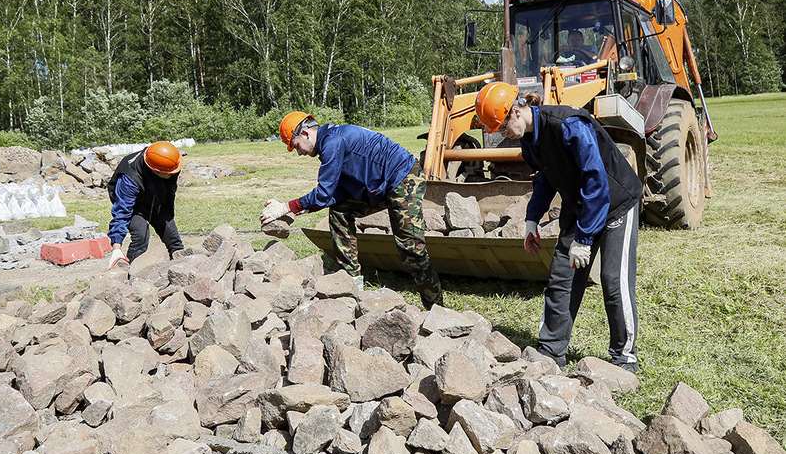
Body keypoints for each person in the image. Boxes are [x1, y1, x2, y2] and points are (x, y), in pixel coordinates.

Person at [475, 83, 642, 372]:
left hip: (616, 202)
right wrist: (531, 220)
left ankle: (624, 358)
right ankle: (551, 353)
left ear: (516, 111)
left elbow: (596, 182)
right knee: (561, 279)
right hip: (578, 205)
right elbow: (544, 180)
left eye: (502, 128)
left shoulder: (568, 125)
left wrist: (585, 239)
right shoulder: (529, 140)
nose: (503, 135)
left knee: (613, 282)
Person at [260, 111, 443, 308]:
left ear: (305, 133)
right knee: (340, 211)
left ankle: (436, 310)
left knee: (411, 250)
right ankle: (353, 287)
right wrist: (297, 210)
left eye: (296, 146)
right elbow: (335, 194)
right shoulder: (328, 142)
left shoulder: (332, 142)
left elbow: (323, 192)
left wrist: (287, 206)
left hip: (404, 178)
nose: (299, 152)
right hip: (379, 184)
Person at [106, 141, 185, 270]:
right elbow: (122, 212)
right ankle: (130, 275)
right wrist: (116, 248)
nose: (173, 174)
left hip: (157, 201)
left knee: (173, 239)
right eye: (169, 173)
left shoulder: (170, 163)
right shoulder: (130, 178)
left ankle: (182, 271)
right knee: (140, 239)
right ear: (155, 170)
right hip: (134, 207)